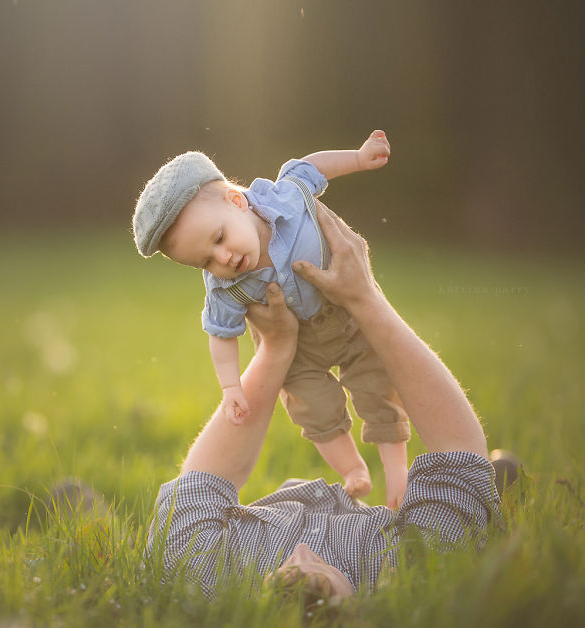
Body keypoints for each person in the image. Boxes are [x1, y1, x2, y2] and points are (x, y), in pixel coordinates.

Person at [145, 202, 504, 602]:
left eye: (286, 584)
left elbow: (199, 487)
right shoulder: (412, 570)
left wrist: (277, 348)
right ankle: (507, 483)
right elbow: (460, 453)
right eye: (315, 591)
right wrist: (364, 299)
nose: (299, 558)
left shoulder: (204, 571)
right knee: (494, 479)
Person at [132, 131, 409, 508]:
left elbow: (313, 165)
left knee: (377, 385)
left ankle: (398, 479)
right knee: (312, 408)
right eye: (205, 261)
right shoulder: (223, 288)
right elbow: (221, 335)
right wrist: (231, 388)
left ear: (237, 201)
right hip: (300, 353)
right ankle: (352, 470)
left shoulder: (288, 198)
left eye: (219, 239)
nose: (223, 260)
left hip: (347, 319)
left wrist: (359, 158)